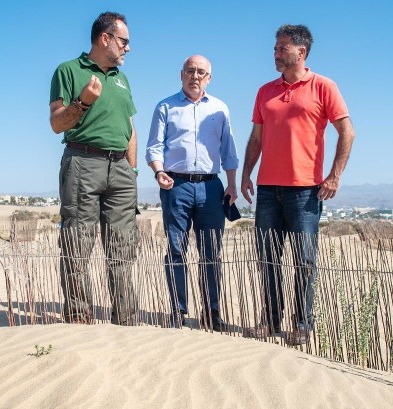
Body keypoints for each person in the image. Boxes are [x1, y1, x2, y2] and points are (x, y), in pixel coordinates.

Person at [240, 24, 355, 346]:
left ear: (300, 52)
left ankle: (302, 324)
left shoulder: (323, 86)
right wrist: (247, 173)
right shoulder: (265, 91)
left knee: (304, 261)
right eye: (275, 48)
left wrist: (334, 176)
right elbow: (257, 138)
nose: (275, 54)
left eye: (281, 48)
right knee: (268, 259)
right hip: (267, 189)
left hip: (305, 191)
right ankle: (270, 321)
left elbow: (347, 132)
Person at [49, 12, 139, 326]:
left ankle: (126, 320)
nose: (128, 48)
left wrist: (133, 171)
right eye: (123, 41)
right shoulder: (68, 70)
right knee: (77, 243)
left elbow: (130, 127)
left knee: (123, 248)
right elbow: (56, 123)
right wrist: (82, 102)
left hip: (121, 170)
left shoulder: (122, 79)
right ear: (105, 38)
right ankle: (79, 318)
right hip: (83, 163)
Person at [146, 55, 239, 331]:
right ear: (181, 74)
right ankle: (177, 311)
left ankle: (212, 312)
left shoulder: (220, 109)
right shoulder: (165, 107)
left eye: (201, 72)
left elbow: (228, 151)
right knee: (176, 249)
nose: (195, 76)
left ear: (209, 78)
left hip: (212, 187)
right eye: (190, 71)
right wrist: (159, 171)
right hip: (176, 186)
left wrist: (232, 184)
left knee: (211, 252)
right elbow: (154, 146)